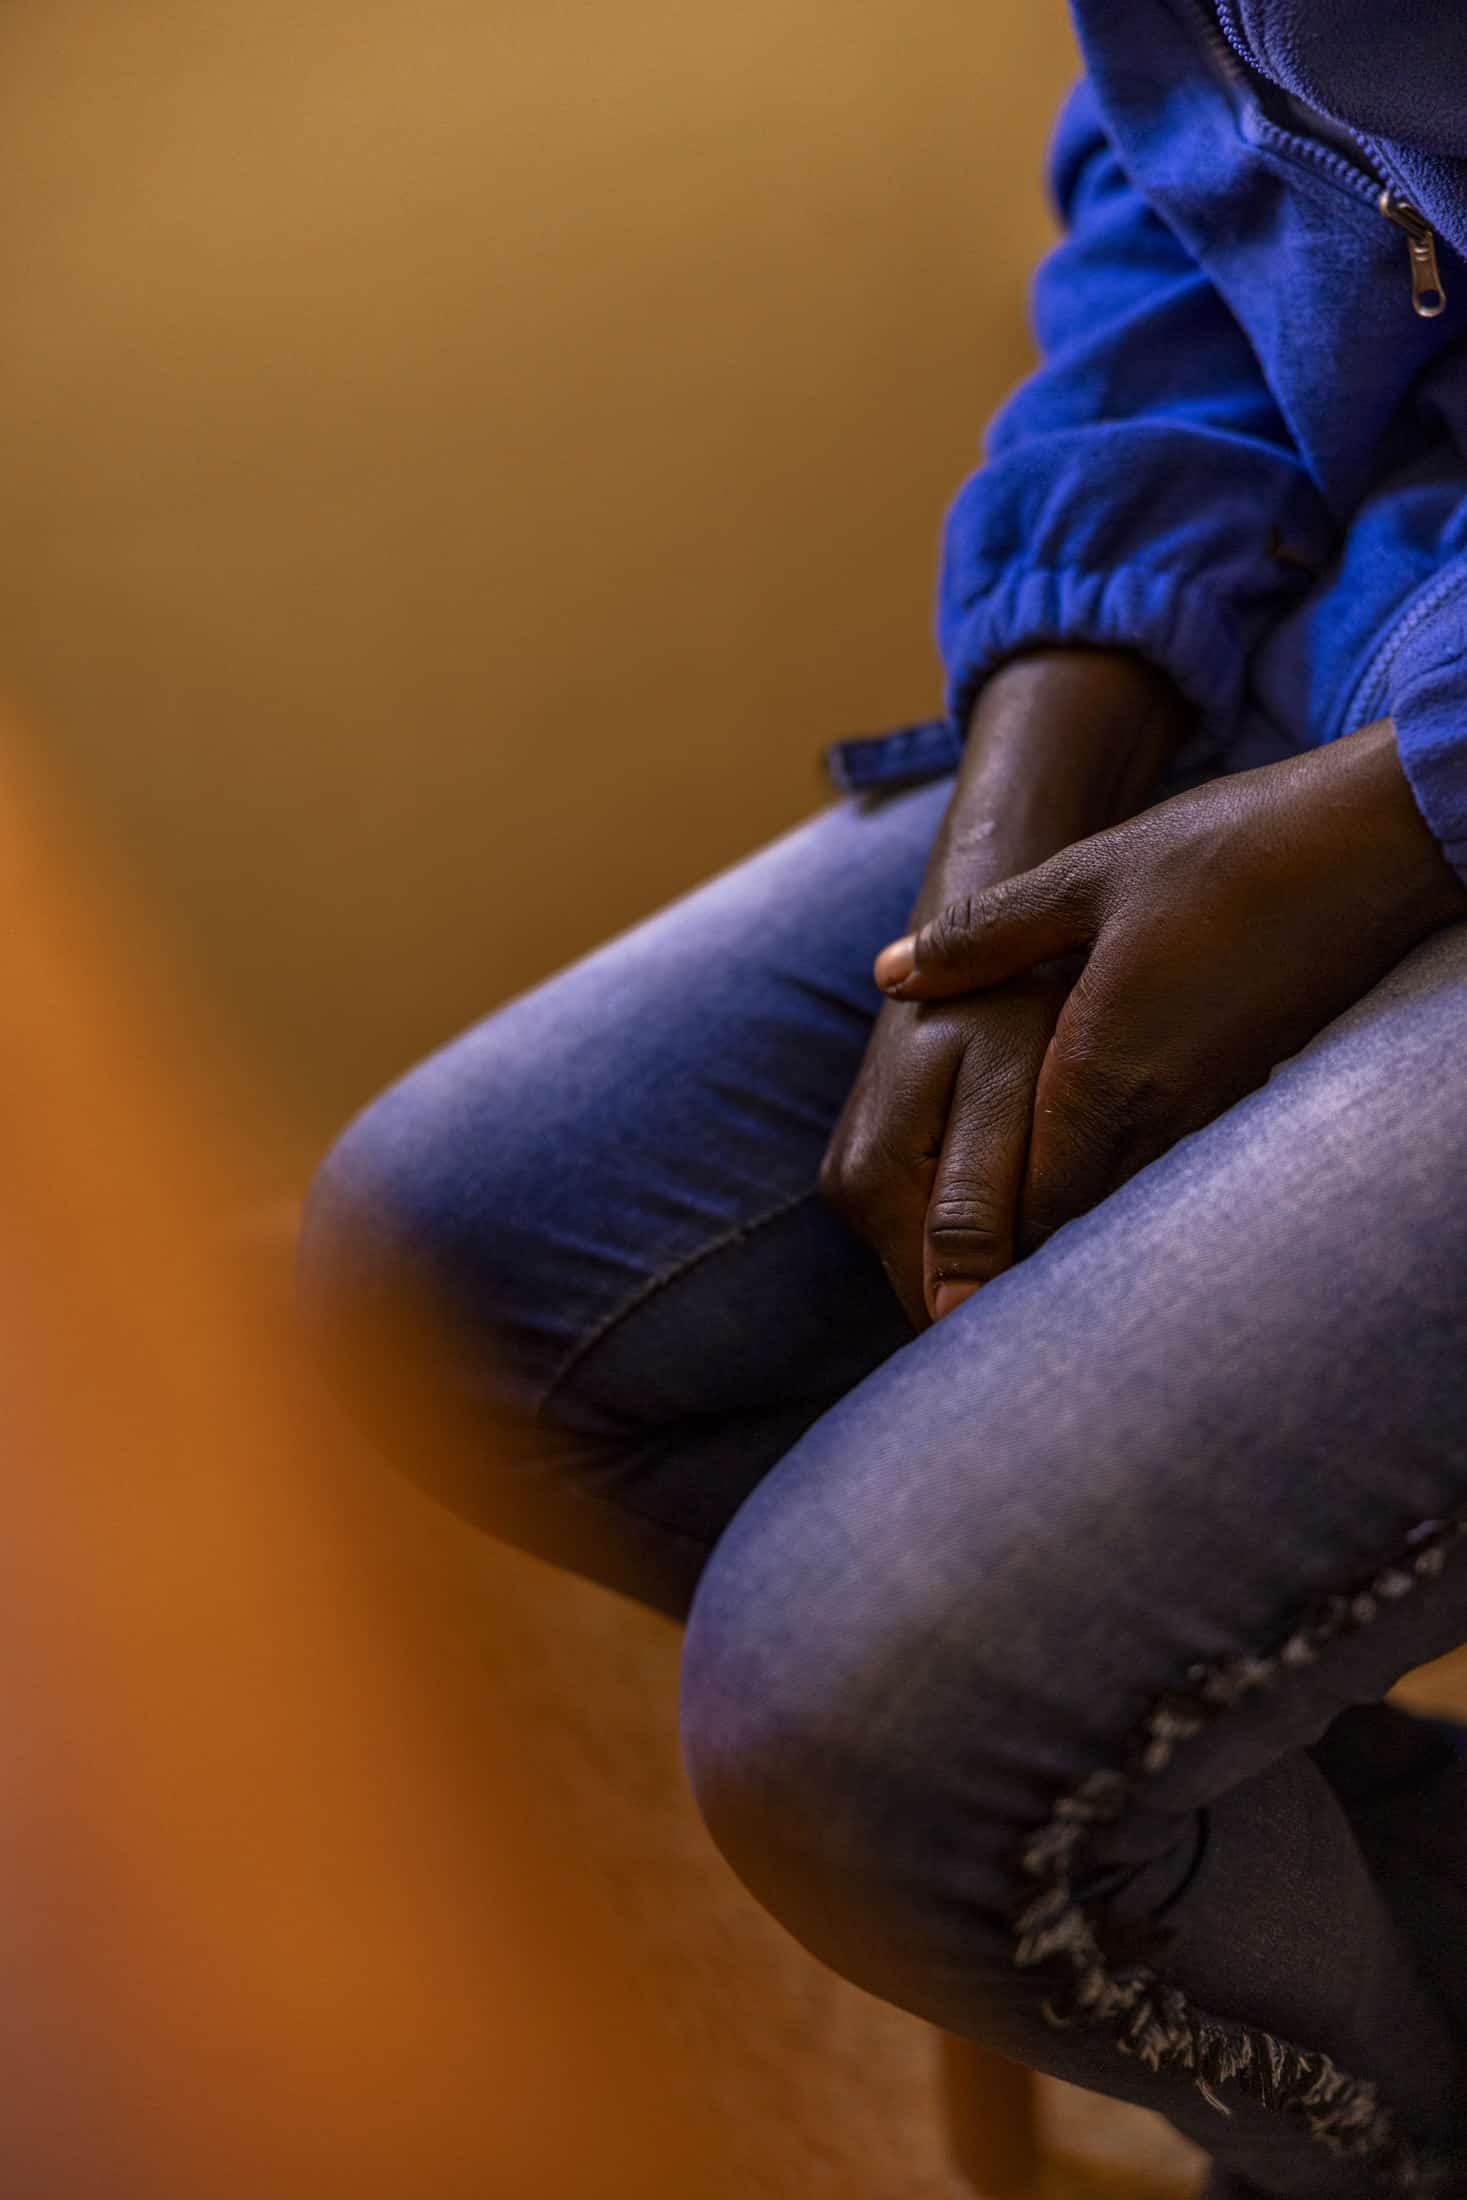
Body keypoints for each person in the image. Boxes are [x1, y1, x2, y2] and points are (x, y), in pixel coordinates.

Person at [297, 5, 1467, 2193]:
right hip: (1372, 605)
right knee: (453, 1270)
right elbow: (1204, 174)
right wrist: (1007, 840)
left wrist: (1386, 818)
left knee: (868, 1724)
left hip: (1411, 736)